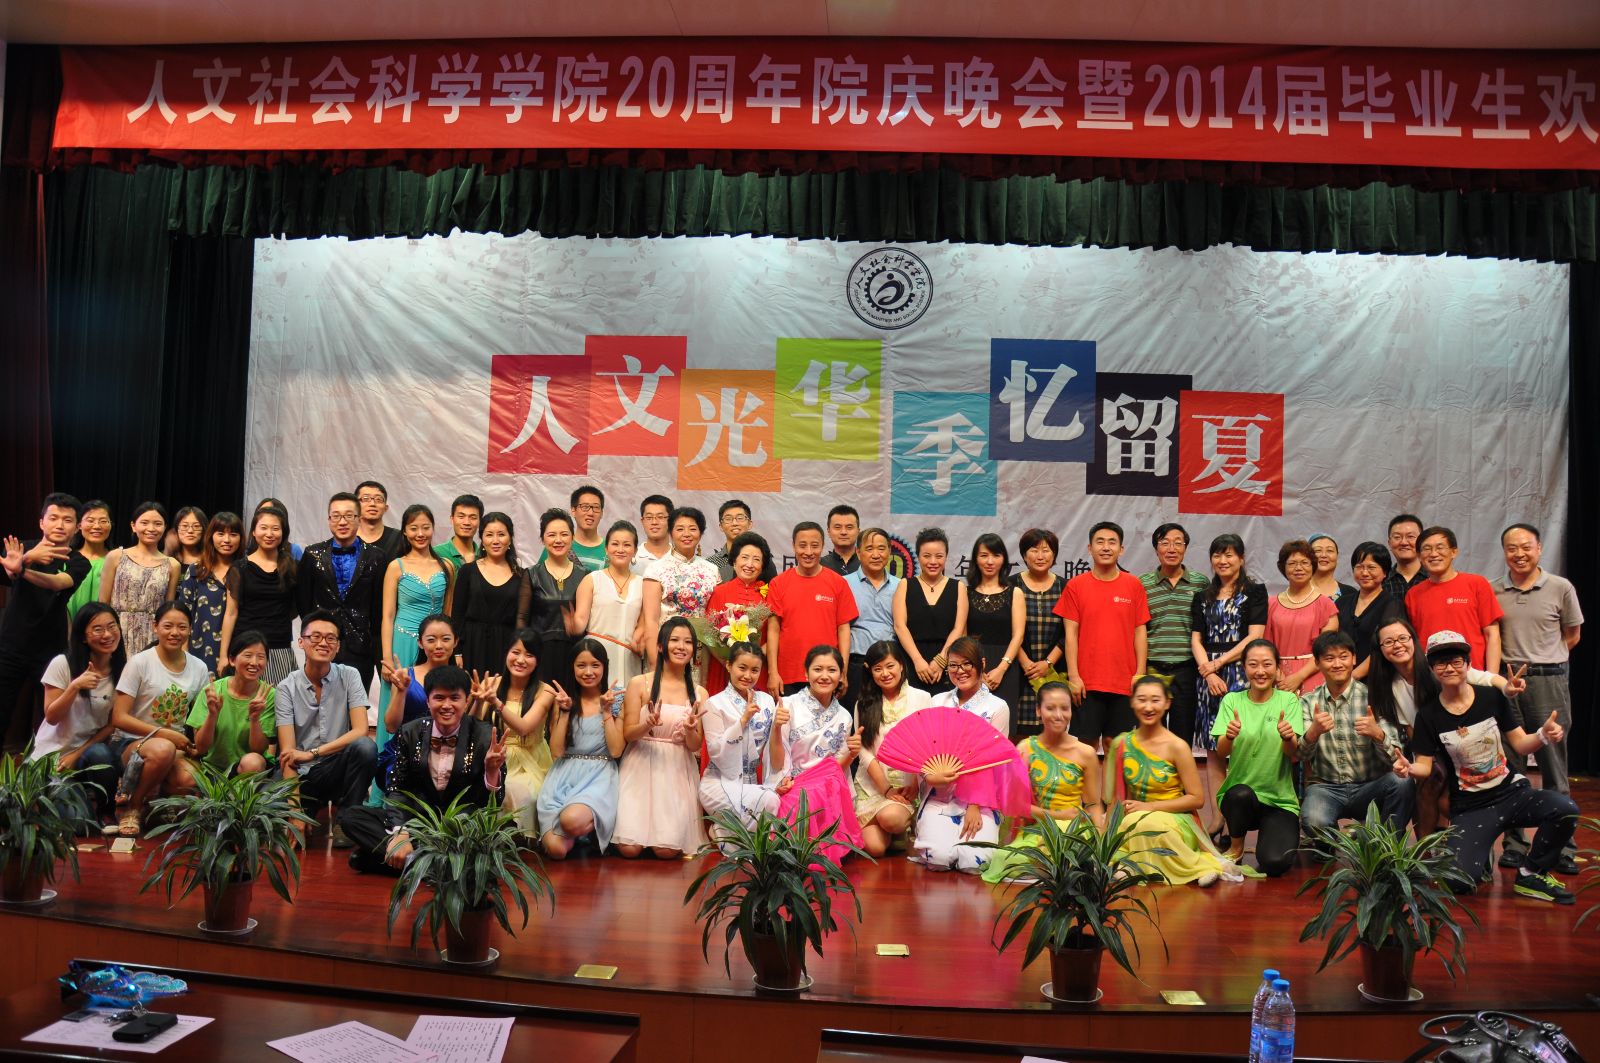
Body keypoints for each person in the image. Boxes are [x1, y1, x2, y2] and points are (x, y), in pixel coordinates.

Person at [1398, 630, 1578, 903]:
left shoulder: (1491, 697)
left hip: (1512, 793)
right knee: (1457, 881)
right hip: (1472, 806)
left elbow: (1520, 744)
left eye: (1456, 661)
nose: (1450, 668)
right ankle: (1478, 855)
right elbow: (1424, 766)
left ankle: (1531, 872)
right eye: (1441, 663)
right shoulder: (1428, 715)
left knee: (1565, 809)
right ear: (1432, 669)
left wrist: (1542, 735)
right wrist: (1408, 769)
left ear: (1468, 664)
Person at [341, 665, 506, 875]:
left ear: (466, 701)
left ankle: (409, 863)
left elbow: (492, 802)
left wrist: (491, 772)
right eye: (439, 698)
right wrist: (401, 832)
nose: (447, 705)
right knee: (352, 818)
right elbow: (398, 787)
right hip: (419, 821)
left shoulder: (485, 736)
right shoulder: (410, 732)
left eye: (454, 698)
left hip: (461, 827)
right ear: (428, 701)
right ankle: (437, 866)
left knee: (496, 835)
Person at [1366, 615, 1518, 840]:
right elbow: (1412, 732)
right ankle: (1427, 850)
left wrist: (1508, 687)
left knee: (1445, 796)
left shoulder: (1438, 667)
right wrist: (1426, 759)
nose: (1397, 645)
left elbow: (1485, 678)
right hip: (1428, 748)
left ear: (1413, 639)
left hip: (1462, 741)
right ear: (1380, 649)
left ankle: (1468, 840)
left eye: (1402, 638)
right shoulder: (1391, 685)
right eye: (1388, 642)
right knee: (1428, 785)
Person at [1493, 522, 1584, 873]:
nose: (1519, 554)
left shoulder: (1560, 587)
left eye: (1526, 547)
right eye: (1512, 548)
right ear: (1504, 552)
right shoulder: (1493, 589)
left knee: (1554, 767)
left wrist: (1544, 660)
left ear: (1539, 548)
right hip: (1507, 683)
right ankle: (1515, 845)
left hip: (1549, 681)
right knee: (1511, 768)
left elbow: (1572, 635)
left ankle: (1562, 847)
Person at [1107, 675, 1245, 885]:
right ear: (1132, 702)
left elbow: (1197, 799)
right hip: (1135, 817)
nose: (1148, 707)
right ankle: (1137, 865)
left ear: (1167, 703)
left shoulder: (1177, 746)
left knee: (1144, 822)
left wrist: (1150, 807)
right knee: (1132, 823)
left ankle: (1201, 865)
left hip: (1177, 819)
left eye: (1155, 700)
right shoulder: (1122, 744)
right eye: (1142, 700)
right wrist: (1105, 840)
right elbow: (1114, 800)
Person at [1296, 631, 1413, 841]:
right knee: (1313, 820)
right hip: (1326, 788)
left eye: (1343, 656)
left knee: (1402, 783)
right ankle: (1346, 841)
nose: (1337, 664)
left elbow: (1396, 757)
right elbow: (1300, 756)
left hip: (1371, 786)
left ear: (1353, 659)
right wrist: (1313, 732)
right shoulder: (1307, 702)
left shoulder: (1374, 698)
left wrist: (1378, 735)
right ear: (1318, 663)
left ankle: (1385, 846)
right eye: (1329, 658)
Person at [981, 681, 1102, 884]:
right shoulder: (1026, 749)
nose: (1058, 715)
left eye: (1065, 708)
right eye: (1050, 708)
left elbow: (1094, 805)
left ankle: (1059, 866)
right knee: (1003, 858)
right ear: (1038, 711)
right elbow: (1016, 805)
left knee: (1069, 855)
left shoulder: (1086, 753)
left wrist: (1099, 843)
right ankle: (1055, 868)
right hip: (1038, 829)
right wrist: (1057, 816)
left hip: (1074, 830)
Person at [276, 610, 379, 845]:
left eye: (331, 638)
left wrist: (313, 753)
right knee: (271, 820)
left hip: (337, 767)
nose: (323, 643)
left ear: (338, 646)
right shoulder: (285, 688)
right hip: (303, 775)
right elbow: (288, 754)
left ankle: (347, 820)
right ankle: (306, 810)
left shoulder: (349, 675)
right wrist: (295, 813)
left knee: (365, 748)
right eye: (316, 636)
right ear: (301, 642)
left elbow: (360, 730)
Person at [1190, 533, 1268, 835]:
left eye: (1229, 555)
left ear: (1241, 559)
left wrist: (1219, 664)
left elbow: (1255, 636)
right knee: (1214, 750)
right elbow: (1196, 639)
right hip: (1207, 678)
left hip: (1240, 672)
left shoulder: (1255, 592)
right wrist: (1208, 673)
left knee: (1240, 745)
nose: (1223, 560)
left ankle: (1238, 819)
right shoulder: (1203, 596)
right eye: (1217, 555)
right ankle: (1217, 817)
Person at [110, 602, 210, 835]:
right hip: (131, 742)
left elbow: (199, 717)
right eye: (168, 626)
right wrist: (165, 734)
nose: (175, 632)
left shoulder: (199, 668)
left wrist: (198, 742)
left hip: (174, 745)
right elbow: (118, 717)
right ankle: (132, 807)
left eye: (182, 627)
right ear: (155, 627)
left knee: (189, 779)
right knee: (163, 749)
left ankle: (154, 805)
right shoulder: (140, 662)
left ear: (190, 629)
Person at [911, 636, 1009, 873]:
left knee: (973, 863)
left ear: (982, 664)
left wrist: (975, 804)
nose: (960, 671)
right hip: (940, 791)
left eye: (967, 664)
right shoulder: (937, 701)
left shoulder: (997, 707)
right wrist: (930, 776)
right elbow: (925, 750)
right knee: (938, 859)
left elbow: (993, 760)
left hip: (980, 797)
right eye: (953, 665)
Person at [0, 494, 90, 743]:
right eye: (53, 518)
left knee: (50, 719)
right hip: (10, 646)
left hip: (51, 651)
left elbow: (57, 583)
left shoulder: (79, 561)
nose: (60, 525)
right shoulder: (20, 549)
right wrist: (26, 559)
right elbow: (9, 571)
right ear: (42, 522)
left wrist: (22, 569)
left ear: (77, 527)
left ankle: (45, 768)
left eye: (67, 520)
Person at [614, 617, 707, 858]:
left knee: (666, 851)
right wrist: (647, 724)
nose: (681, 646)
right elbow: (628, 734)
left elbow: (695, 746)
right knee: (629, 848)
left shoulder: (699, 693)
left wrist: (690, 730)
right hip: (640, 765)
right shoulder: (639, 684)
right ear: (660, 646)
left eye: (688, 642)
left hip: (676, 771)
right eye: (674, 640)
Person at [1211, 639, 1304, 876]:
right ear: (1244, 667)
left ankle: (1271, 834)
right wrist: (1229, 736)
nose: (1260, 671)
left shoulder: (1288, 700)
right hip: (1241, 800)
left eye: (1267, 664)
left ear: (1277, 667)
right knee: (1239, 794)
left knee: (1274, 863)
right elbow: (1222, 752)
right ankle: (1236, 847)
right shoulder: (1232, 700)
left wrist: (1288, 737)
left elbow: (1292, 752)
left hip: (1279, 801)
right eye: (1253, 664)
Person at [1055, 521, 1150, 746]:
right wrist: (1074, 676)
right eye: (1100, 542)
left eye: (1112, 542)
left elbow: (1140, 632)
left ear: (1121, 549)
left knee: (1116, 746)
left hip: (1125, 681)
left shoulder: (1134, 585)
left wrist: (1139, 674)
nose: (1106, 547)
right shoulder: (1075, 586)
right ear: (1090, 548)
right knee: (1086, 745)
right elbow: (1070, 635)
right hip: (1087, 682)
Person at [771, 644, 866, 863]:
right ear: (806, 673)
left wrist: (852, 754)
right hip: (792, 781)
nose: (824, 676)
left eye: (832, 670)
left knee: (821, 792)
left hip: (826, 784)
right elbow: (777, 762)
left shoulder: (844, 716)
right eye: (817, 669)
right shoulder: (787, 705)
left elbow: (836, 768)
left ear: (841, 676)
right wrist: (776, 729)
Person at [32, 603, 125, 817]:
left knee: (101, 753)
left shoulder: (122, 670)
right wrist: (74, 687)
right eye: (98, 629)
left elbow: (111, 724)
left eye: (112, 626)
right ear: (83, 636)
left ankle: (107, 812)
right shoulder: (62, 664)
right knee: (80, 824)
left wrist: (78, 753)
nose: (107, 634)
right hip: (54, 759)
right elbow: (51, 717)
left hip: (87, 755)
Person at [539, 638, 625, 859]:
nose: (588, 672)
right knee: (557, 851)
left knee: (570, 820)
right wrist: (565, 712)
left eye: (595, 665)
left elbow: (616, 751)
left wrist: (606, 711)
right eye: (581, 665)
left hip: (598, 777)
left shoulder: (616, 698)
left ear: (604, 667)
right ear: (572, 668)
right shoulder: (564, 700)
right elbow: (557, 751)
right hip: (563, 776)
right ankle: (582, 833)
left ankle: (588, 826)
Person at [377, 504, 454, 749]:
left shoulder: (446, 566)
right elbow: (388, 615)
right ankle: (388, 763)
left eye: (425, 528)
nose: (420, 534)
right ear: (404, 531)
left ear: (433, 529)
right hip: (404, 641)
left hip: (436, 644)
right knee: (398, 699)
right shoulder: (396, 566)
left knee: (436, 698)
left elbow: (448, 614)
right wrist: (387, 656)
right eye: (413, 528)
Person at [299, 492, 389, 689]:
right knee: (317, 700)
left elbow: (379, 606)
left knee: (356, 701)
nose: (342, 522)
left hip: (360, 644)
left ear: (359, 519)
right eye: (336, 516)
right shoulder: (312, 555)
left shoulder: (377, 557)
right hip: (320, 643)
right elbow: (303, 602)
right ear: (329, 520)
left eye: (349, 516)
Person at [850, 640, 930, 857]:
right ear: (870, 672)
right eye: (878, 669)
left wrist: (915, 782)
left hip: (907, 786)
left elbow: (928, 744)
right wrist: (885, 789)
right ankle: (894, 834)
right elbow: (863, 751)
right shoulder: (863, 704)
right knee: (874, 849)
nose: (885, 673)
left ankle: (899, 825)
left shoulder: (922, 698)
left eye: (890, 666)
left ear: (901, 665)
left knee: (891, 819)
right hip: (872, 785)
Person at [765, 522, 858, 699]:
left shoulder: (838, 583)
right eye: (802, 545)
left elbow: (844, 630)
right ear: (793, 546)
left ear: (822, 546)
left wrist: (843, 671)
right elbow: (773, 630)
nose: (808, 552)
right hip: (788, 674)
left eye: (814, 546)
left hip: (826, 674)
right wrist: (773, 672)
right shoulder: (778, 583)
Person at [1138, 523, 1208, 750]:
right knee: (1149, 736)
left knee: (1182, 737)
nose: (1171, 549)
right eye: (1165, 543)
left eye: (1178, 543)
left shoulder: (1200, 583)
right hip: (1152, 668)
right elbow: (1137, 630)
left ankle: (1179, 774)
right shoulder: (1142, 584)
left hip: (1187, 669)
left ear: (1185, 548)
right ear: (1156, 549)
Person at [482, 629, 556, 841]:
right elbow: (474, 724)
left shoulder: (545, 691)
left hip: (530, 760)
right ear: (506, 653)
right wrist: (478, 701)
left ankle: (522, 842)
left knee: (523, 794)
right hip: (496, 757)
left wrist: (496, 703)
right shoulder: (492, 684)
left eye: (529, 655)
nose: (521, 660)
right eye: (515, 652)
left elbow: (524, 728)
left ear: (538, 660)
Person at [699, 641, 779, 828]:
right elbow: (716, 752)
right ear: (729, 666)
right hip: (719, 782)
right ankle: (723, 832)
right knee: (768, 801)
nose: (748, 676)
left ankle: (721, 832)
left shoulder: (767, 701)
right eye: (742, 668)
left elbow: (771, 750)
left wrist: (776, 780)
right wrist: (743, 720)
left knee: (772, 799)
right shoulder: (714, 704)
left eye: (755, 670)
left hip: (752, 784)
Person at [376, 613, 459, 794]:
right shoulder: (405, 675)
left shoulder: (462, 678)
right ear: (420, 643)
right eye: (431, 640)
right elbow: (391, 726)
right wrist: (402, 692)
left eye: (445, 639)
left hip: (446, 754)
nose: (439, 645)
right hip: (405, 752)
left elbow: (467, 725)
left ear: (455, 642)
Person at [1407, 526, 1504, 672]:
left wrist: (1491, 678)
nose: (1433, 554)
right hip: (1430, 676)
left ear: (1454, 552)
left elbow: (1492, 634)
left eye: (1440, 547)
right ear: (1419, 556)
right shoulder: (1413, 594)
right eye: (1426, 549)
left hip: (1473, 675)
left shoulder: (1477, 584)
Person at [218, 505, 298, 684]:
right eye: (263, 528)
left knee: (279, 699)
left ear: (283, 533)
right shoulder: (239, 568)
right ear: (254, 532)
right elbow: (230, 614)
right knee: (245, 698)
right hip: (245, 647)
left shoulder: (292, 566)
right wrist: (223, 656)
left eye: (275, 528)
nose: (269, 534)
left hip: (279, 647)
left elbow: (294, 609)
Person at [451, 511, 532, 676]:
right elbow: (457, 615)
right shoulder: (468, 571)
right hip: (471, 645)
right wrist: (457, 652)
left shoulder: (522, 575)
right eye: (489, 535)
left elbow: (523, 619)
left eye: (501, 534)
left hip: (506, 647)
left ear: (510, 539)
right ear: (481, 539)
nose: (495, 540)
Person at [186, 630, 274, 777]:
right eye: (248, 655)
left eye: (261, 657)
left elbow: (258, 750)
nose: (254, 662)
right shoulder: (212, 691)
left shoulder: (269, 695)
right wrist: (212, 715)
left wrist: (255, 719)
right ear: (232, 660)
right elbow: (201, 747)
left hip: (250, 768)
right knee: (183, 778)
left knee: (252, 762)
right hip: (212, 767)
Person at [893, 527, 967, 696]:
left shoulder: (958, 587)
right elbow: (899, 626)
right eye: (927, 556)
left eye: (939, 556)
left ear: (946, 557)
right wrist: (918, 660)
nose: (933, 561)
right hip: (911, 660)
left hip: (949, 662)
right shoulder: (905, 585)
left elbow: (959, 629)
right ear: (918, 556)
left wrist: (942, 660)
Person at [99, 501, 180, 655]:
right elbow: (103, 602)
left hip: (153, 634)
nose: (151, 528)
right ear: (133, 526)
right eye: (144, 523)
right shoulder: (116, 556)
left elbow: (167, 610)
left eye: (158, 524)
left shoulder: (172, 565)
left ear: (164, 527)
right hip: (117, 631)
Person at [641, 506, 721, 660]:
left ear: (701, 533)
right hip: (667, 648)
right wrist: (654, 661)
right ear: (670, 533)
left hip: (701, 651)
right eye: (680, 529)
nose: (686, 534)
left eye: (693, 529)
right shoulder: (656, 569)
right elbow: (651, 621)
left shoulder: (712, 570)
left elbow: (715, 616)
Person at [572, 521, 646, 688]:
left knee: (628, 701)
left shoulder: (643, 584)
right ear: (606, 548)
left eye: (627, 545)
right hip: (596, 658)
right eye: (615, 544)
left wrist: (640, 638)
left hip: (630, 658)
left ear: (635, 550)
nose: (620, 549)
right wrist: (571, 623)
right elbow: (580, 621)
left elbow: (644, 622)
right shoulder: (592, 579)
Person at [702, 531, 773, 696]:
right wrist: (729, 662)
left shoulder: (768, 595)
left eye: (756, 559)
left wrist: (757, 656)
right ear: (734, 561)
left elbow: (774, 633)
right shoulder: (719, 592)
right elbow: (709, 635)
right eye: (744, 557)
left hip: (757, 669)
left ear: (762, 566)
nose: (750, 564)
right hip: (723, 668)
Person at [1265, 539, 1340, 694]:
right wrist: (1277, 675)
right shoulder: (1271, 604)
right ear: (1283, 568)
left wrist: (1299, 677)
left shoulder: (1326, 604)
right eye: (1292, 563)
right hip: (1276, 676)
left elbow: (1326, 649)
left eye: (1305, 563)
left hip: (1314, 673)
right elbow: (1264, 645)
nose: (1298, 568)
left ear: (1313, 566)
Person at [966, 533, 1026, 721]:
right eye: (984, 555)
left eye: (996, 555)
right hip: (972, 665)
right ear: (976, 559)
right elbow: (962, 635)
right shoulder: (965, 592)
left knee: (1002, 726)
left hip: (1006, 666)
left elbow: (1018, 636)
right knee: (970, 725)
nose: (990, 561)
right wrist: (975, 670)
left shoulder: (1015, 593)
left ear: (1004, 559)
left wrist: (1001, 669)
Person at [1012, 528, 1066, 735]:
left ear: (1054, 554)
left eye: (1046, 550)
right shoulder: (1011, 585)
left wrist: (1048, 663)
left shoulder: (1065, 587)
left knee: (1051, 733)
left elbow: (1070, 633)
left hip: (1054, 671)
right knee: (1016, 735)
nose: (1040, 556)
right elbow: (1007, 629)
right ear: (1024, 555)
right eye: (1034, 550)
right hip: (1018, 671)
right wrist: (1025, 662)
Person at [176, 511, 242, 675]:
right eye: (220, 534)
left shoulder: (245, 570)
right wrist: (183, 652)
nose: (227, 540)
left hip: (238, 648)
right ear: (211, 536)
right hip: (200, 648)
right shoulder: (196, 570)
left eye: (233, 534)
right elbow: (183, 614)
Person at [528, 508, 589, 685]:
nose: (558, 540)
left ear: (572, 537)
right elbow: (522, 620)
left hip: (575, 656)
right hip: (540, 654)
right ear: (542, 539)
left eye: (564, 534)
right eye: (551, 535)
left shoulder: (585, 575)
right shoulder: (531, 575)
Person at [843, 528, 899, 711]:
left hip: (891, 666)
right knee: (855, 717)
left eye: (881, 548)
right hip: (856, 664)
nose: (876, 555)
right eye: (869, 549)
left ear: (889, 552)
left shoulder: (901, 585)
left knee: (890, 717)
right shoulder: (843, 583)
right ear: (858, 552)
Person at [1339, 541, 1399, 680]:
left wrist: (1352, 677)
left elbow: (1386, 646)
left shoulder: (1392, 605)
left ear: (1385, 572)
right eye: (1359, 567)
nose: (1365, 573)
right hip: (1340, 677)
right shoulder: (1342, 602)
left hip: (1376, 680)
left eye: (1371, 567)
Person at [65, 500, 112, 621]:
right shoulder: (67, 558)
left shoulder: (116, 560)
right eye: (90, 521)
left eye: (103, 521)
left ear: (111, 525)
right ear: (79, 525)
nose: (97, 526)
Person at [353, 480, 405, 567]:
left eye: (378, 499)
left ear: (386, 508)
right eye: (366, 499)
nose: (372, 504)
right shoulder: (346, 539)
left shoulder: (400, 539)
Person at [1383, 514, 1427, 613]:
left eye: (1410, 536)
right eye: (1397, 537)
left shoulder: (1434, 578)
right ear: (1389, 543)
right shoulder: (1381, 582)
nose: (1404, 542)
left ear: (1422, 542)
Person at [705, 499, 752, 583]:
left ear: (750, 524)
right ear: (721, 526)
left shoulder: (761, 561)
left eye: (740, 518)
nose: (734, 523)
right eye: (728, 519)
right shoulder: (710, 564)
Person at [564, 485, 610, 569]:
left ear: (601, 513)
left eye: (596, 507)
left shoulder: (612, 549)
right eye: (585, 507)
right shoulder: (559, 545)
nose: (590, 513)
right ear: (573, 510)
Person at [434, 494, 482, 571]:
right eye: (461, 517)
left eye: (473, 517)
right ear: (452, 519)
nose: (466, 522)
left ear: (480, 521)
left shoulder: (485, 556)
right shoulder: (436, 553)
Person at [631, 495, 675, 576]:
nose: (654, 522)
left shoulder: (680, 557)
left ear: (671, 521)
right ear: (642, 521)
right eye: (649, 517)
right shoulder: (632, 557)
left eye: (660, 517)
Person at [1308, 534, 1358, 604]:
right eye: (1318, 550)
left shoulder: (1351, 593)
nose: (1324, 555)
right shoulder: (1297, 591)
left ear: (1337, 556)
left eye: (1330, 550)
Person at [820, 505, 861, 575]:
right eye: (837, 527)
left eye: (849, 527)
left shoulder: (868, 563)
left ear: (858, 531)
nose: (843, 532)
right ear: (829, 532)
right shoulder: (819, 565)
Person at [167, 507, 207, 577]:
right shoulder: (166, 558)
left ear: (204, 530)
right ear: (176, 529)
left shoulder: (211, 560)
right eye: (185, 526)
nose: (190, 531)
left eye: (196, 526)